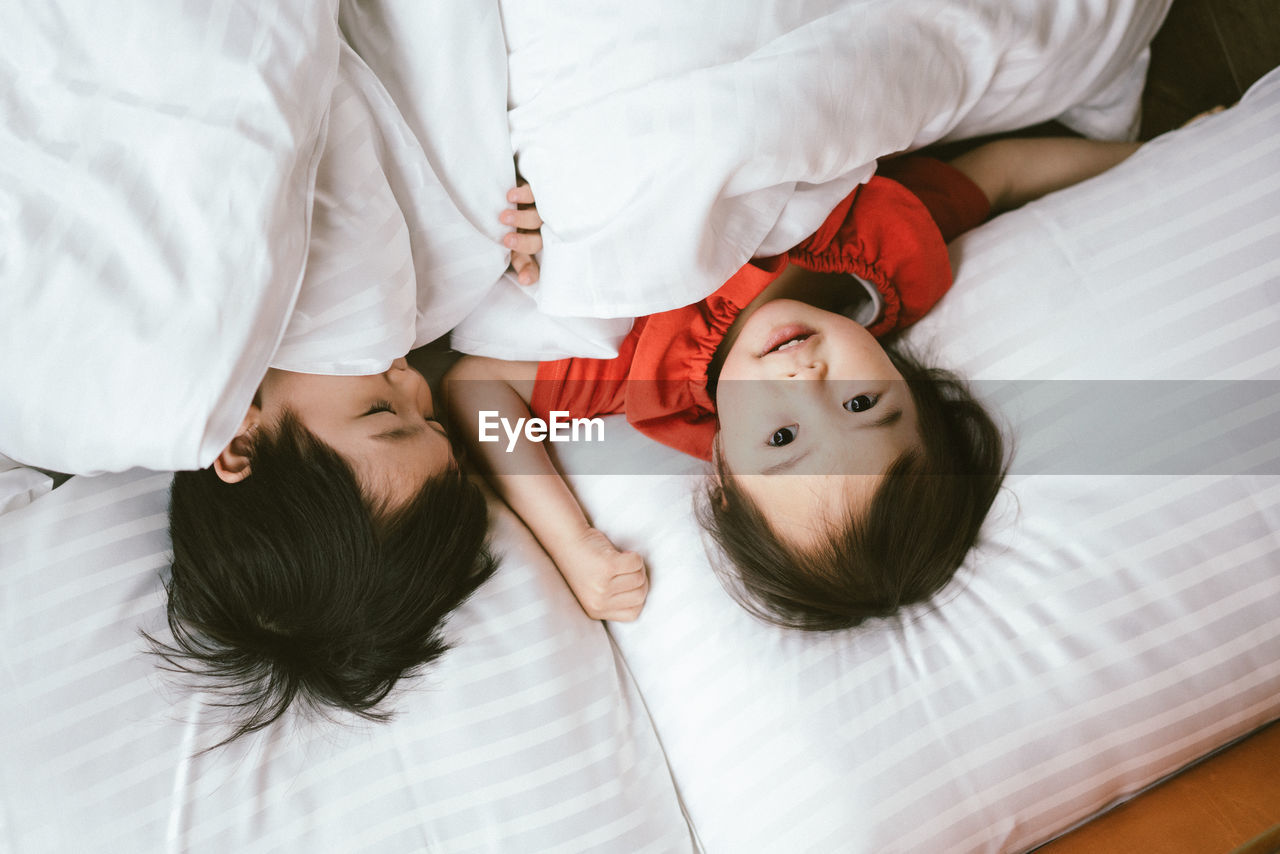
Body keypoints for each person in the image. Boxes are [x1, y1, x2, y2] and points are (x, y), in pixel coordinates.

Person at [446, 137, 1142, 629]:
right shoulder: (886, 257)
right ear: (912, 382)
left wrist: (574, 544)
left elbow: (477, 390)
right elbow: (1006, 170)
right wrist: (1157, 151)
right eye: (862, 403)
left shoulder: (640, 369)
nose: (807, 380)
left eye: (782, 436)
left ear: (723, 471)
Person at [150, 190, 545, 747]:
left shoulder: (174, 309)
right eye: (433, 418)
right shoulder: (434, 294)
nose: (412, 379)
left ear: (240, 444)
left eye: (381, 413)